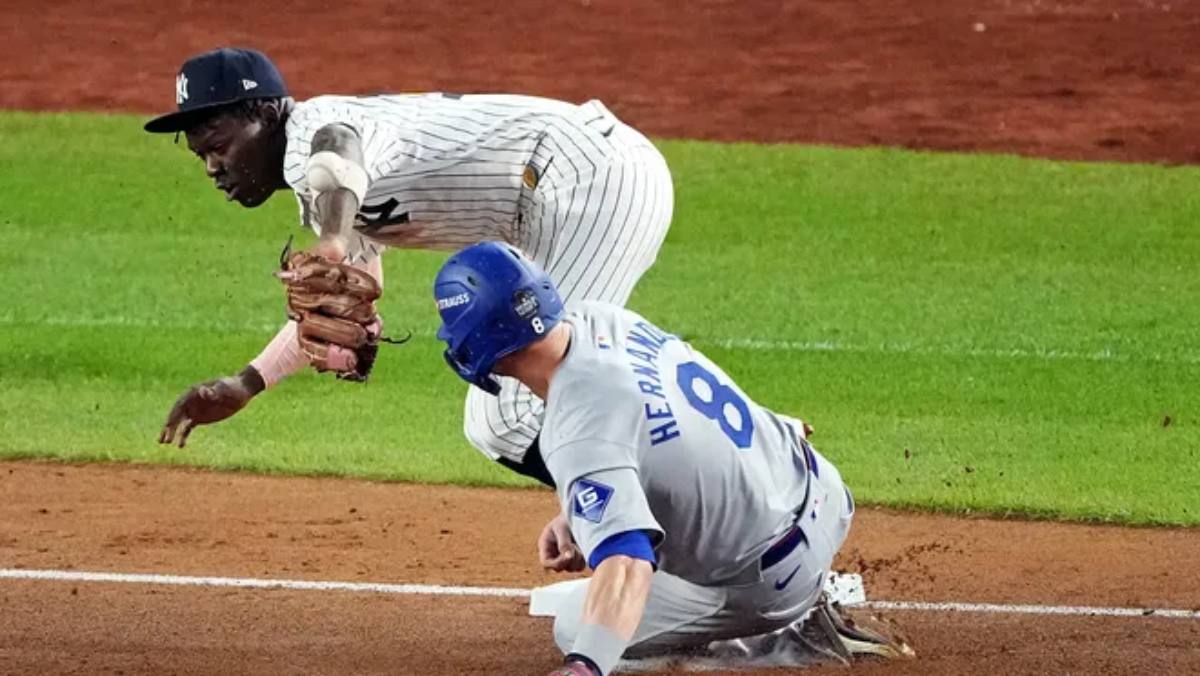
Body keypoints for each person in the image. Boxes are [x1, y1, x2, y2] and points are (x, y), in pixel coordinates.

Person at [145, 48, 674, 482]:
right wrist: (246, 383)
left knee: (513, 411)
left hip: (587, 178)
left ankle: (667, 526)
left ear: (265, 114)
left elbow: (338, 151)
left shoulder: (317, 129)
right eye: (201, 156)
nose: (214, 167)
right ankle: (672, 517)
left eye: (219, 145)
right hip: (561, 199)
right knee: (555, 389)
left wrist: (331, 240)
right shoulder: (318, 194)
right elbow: (336, 300)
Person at [432, 242, 910, 675]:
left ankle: (781, 636)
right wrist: (574, 511)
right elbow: (660, 427)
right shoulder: (602, 320)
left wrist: (584, 667)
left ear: (478, 342)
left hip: (775, 579)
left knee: (579, 628)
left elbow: (627, 562)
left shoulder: (577, 431)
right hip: (820, 488)